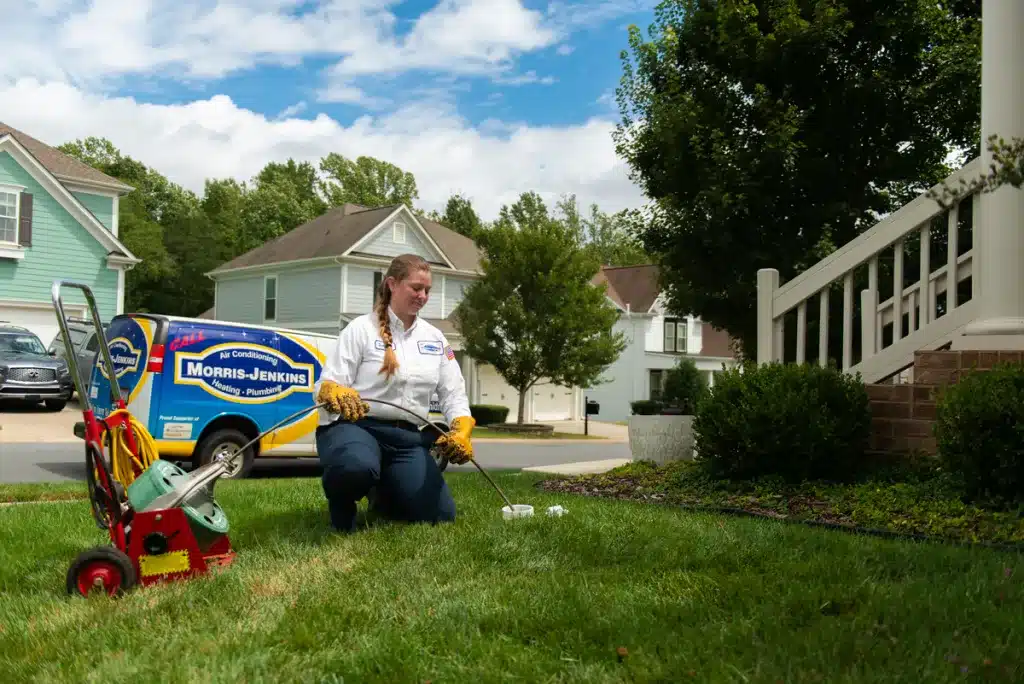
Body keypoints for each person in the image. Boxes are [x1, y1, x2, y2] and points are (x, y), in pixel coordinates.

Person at [312, 253, 476, 533]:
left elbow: (454, 394)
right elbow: (327, 383)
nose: (423, 296)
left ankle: (384, 493)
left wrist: (460, 430)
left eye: (427, 290)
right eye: (416, 288)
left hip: (406, 439)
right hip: (357, 429)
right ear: (392, 284)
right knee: (355, 466)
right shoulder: (360, 330)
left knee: (439, 514)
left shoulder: (436, 339)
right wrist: (334, 390)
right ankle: (342, 509)